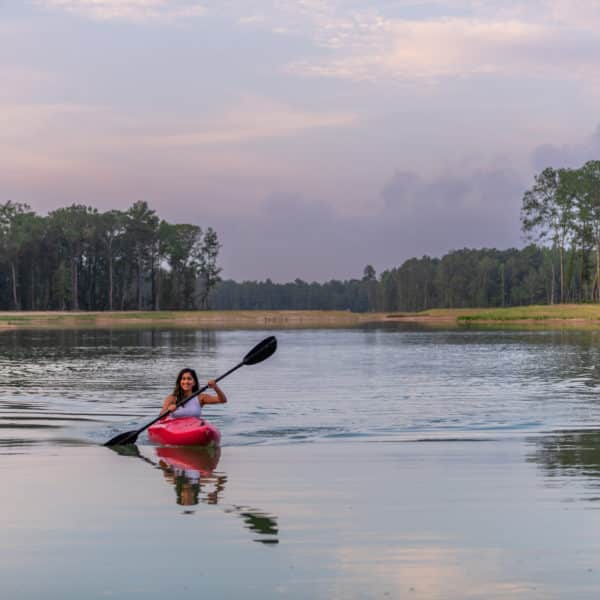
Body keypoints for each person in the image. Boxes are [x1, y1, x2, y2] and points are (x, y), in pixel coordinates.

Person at [160, 367, 227, 418]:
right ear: (180, 382)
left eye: (189, 379)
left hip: (194, 430)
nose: (186, 382)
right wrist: (168, 410)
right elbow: (161, 415)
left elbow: (223, 400)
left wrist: (215, 387)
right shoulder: (172, 398)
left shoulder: (200, 397)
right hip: (175, 430)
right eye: (183, 379)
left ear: (194, 382)